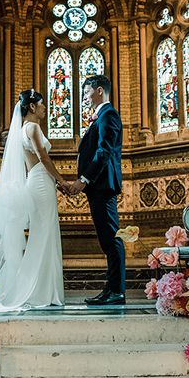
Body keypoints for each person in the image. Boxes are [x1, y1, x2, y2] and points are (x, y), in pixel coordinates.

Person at [0, 89, 65, 310]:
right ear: (31, 106)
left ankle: (42, 289)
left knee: (43, 234)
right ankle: (38, 291)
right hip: (41, 181)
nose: (44, 108)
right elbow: (43, 157)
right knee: (44, 235)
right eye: (41, 104)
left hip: (35, 179)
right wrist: (61, 180)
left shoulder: (22, 130)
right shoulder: (33, 127)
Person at [65, 75, 126, 305]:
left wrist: (84, 179)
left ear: (99, 90)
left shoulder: (108, 115)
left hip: (102, 184)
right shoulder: (101, 116)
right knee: (107, 239)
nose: (84, 96)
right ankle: (111, 290)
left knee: (111, 238)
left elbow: (104, 151)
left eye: (87, 91)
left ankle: (117, 291)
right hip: (99, 186)